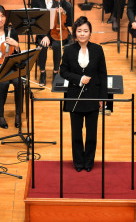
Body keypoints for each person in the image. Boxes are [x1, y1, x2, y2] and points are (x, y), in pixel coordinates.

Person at [60, 16, 107, 172]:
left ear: (90, 33)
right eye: (79, 31)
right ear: (75, 33)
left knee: (92, 135)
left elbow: (103, 75)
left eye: (85, 31)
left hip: (93, 97)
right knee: (76, 134)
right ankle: (78, 162)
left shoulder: (98, 49)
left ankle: (89, 162)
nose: (82, 34)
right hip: (75, 97)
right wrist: (79, 79)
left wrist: (103, 98)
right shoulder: (68, 50)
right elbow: (63, 71)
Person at [30, 0, 73, 86]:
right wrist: (44, 35)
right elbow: (35, 21)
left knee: (57, 45)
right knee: (43, 45)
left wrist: (64, 13)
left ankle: (55, 72)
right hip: (42, 32)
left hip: (57, 31)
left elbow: (68, 22)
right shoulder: (36, 0)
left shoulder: (60, 0)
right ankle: (42, 72)